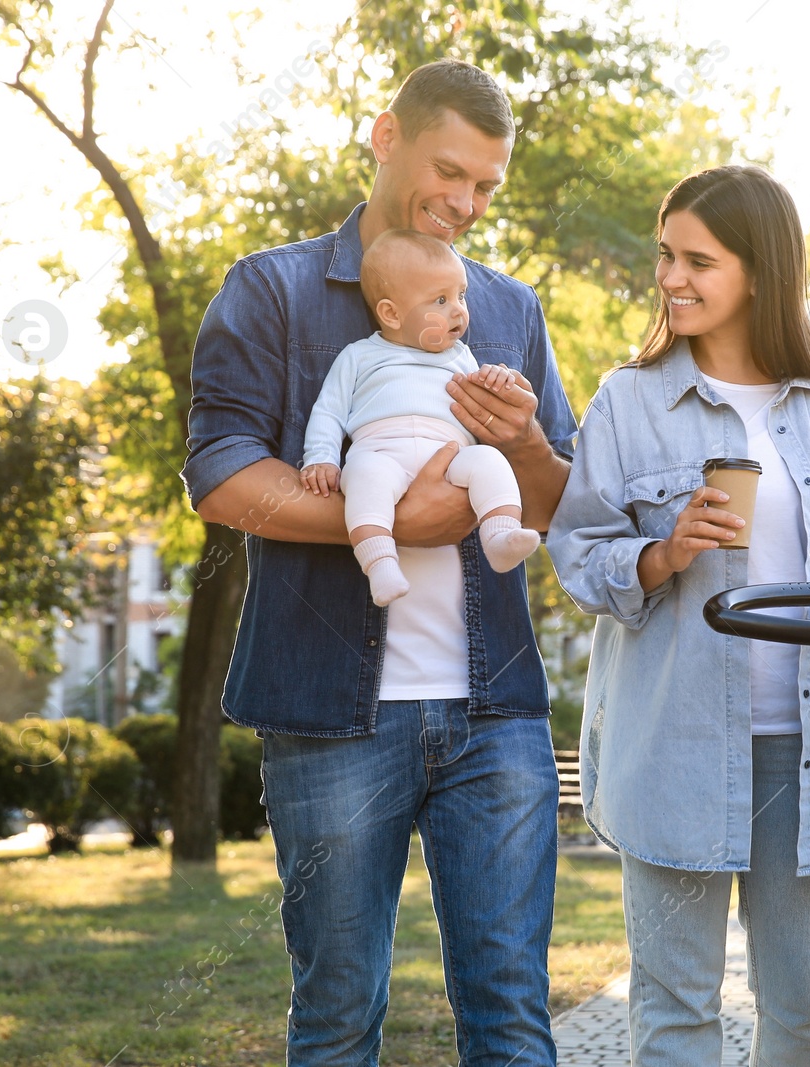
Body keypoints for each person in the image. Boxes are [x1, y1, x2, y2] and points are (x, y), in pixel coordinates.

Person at [182, 59, 576, 1067]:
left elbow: (563, 495)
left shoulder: (510, 308)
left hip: (497, 715)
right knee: (337, 1016)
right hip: (327, 717)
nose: (466, 202)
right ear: (383, 136)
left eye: (487, 185)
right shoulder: (270, 290)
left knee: (512, 1014)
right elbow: (223, 475)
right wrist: (402, 523)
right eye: (450, 170)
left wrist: (525, 446)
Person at [545, 165, 810, 1066]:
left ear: (761, 269)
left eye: (698, 260)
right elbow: (577, 554)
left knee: (806, 1007)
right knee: (675, 1008)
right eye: (665, 256)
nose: (672, 278)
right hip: (670, 743)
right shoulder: (628, 401)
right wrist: (664, 553)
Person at [299, 229, 540, 606]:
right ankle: (380, 564)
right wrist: (321, 458)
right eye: (440, 300)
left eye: (461, 295)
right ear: (392, 314)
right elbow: (328, 411)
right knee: (363, 480)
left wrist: (499, 379)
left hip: (449, 457)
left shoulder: (461, 356)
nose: (458, 310)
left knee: (489, 461)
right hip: (381, 453)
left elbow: (482, 402)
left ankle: (500, 535)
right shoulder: (359, 355)